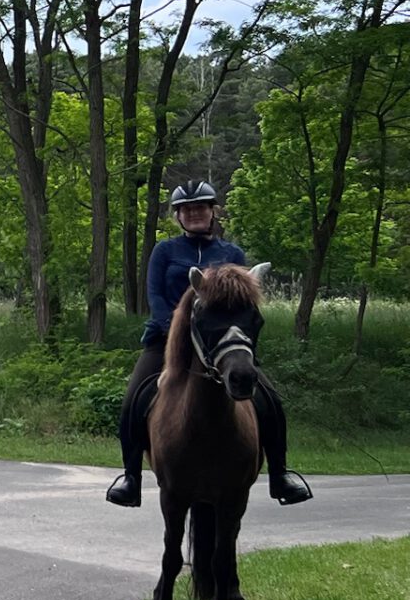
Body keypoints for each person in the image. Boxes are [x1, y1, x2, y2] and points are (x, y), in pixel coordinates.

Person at [106, 179, 313, 509]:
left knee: (270, 399)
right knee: (134, 398)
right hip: (168, 343)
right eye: (187, 209)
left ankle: (280, 474)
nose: (194, 213)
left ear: (212, 211)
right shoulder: (164, 251)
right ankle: (131, 477)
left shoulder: (231, 253)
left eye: (200, 207)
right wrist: (176, 330)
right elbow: (156, 296)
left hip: (220, 345)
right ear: (178, 216)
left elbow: (241, 302)